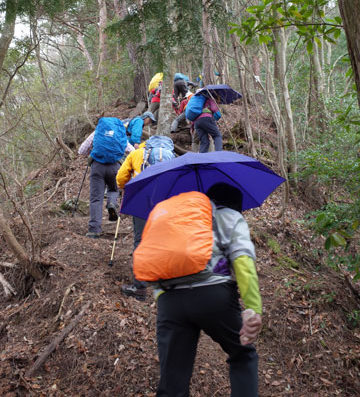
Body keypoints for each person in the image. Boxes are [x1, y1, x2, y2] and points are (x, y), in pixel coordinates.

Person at [146, 183, 262, 397]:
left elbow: (157, 260)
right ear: (236, 205)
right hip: (213, 295)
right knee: (243, 354)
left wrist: (162, 299)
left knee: (173, 378)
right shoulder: (230, 216)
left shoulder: (179, 221)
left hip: (170, 301)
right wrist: (253, 309)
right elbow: (243, 262)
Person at [116, 135, 175, 301]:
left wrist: (126, 187)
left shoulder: (137, 153)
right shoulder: (171, 156)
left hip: (142, 201)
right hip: (165, 203)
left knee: (140, 242)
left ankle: (140, 287)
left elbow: (120, 179)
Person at [78, 117, 134, 239]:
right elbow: (132, 151)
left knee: (96, 198)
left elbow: (81, 150)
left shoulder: (97, 131)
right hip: (115, 166)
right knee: (114, 190)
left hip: (97, 167)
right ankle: (112, 203)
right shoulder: (119, 133)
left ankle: (94, 230)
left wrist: (91, 154)